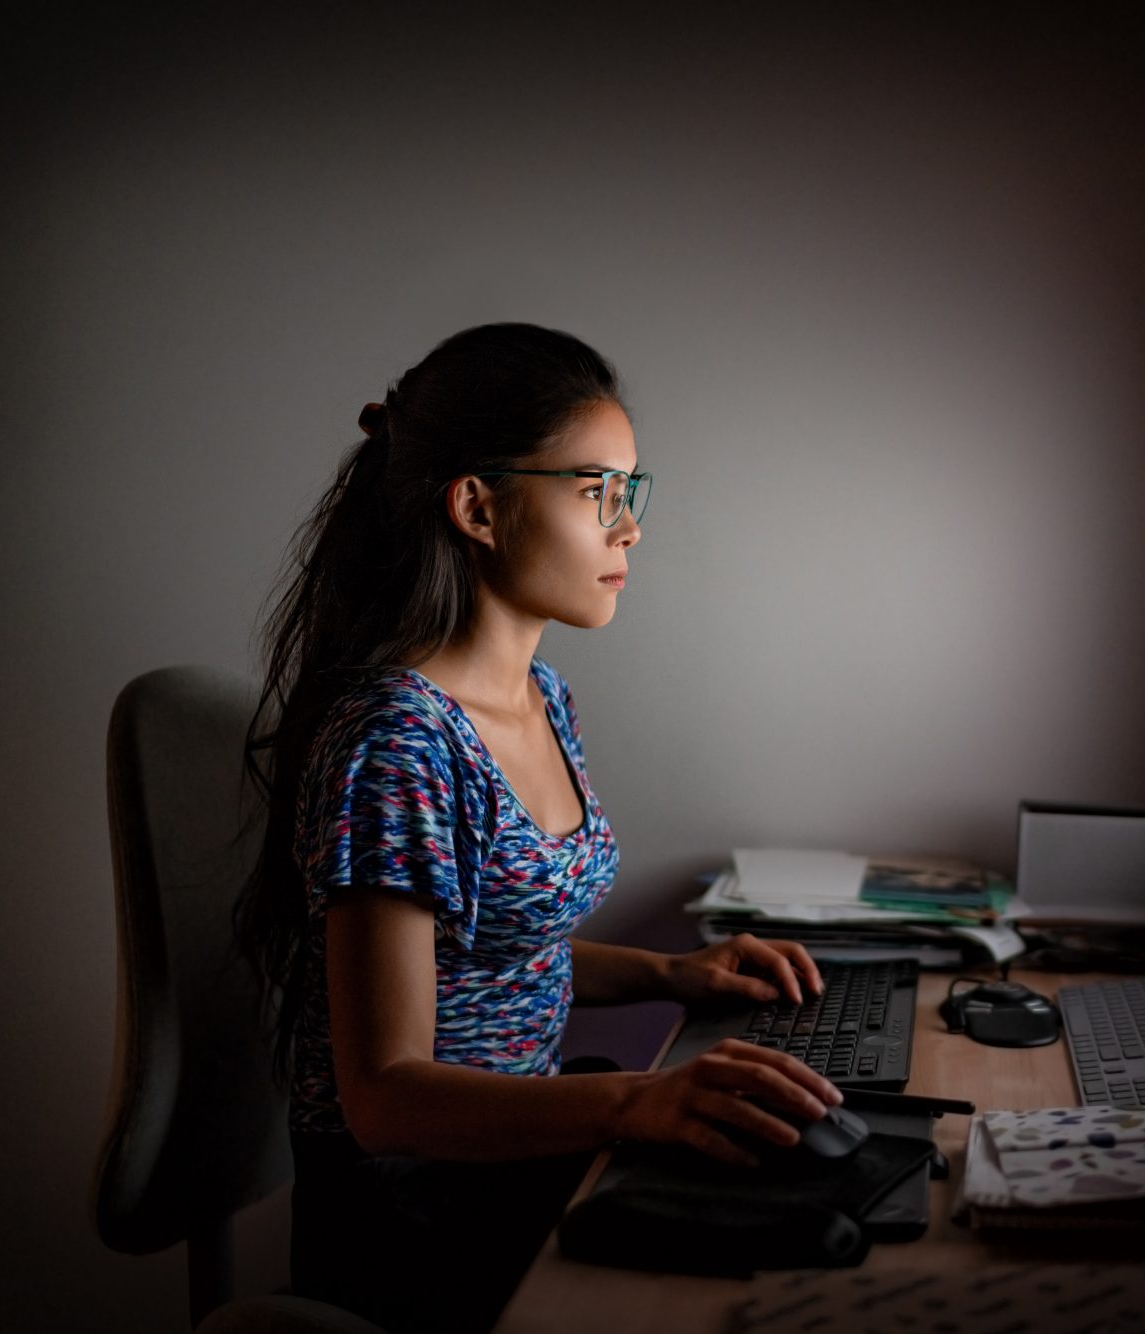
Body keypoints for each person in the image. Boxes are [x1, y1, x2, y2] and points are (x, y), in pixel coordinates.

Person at [234, 323, 837, 1332]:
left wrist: (669, 973)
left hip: (503, 1160)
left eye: (631, 492)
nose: (628, 528)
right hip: (414, 1210)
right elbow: (383, 1095)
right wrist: (636, 1100)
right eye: (595, 491)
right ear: (477, 504)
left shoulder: (540, 697)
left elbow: (492, 948)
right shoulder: (399, 744)